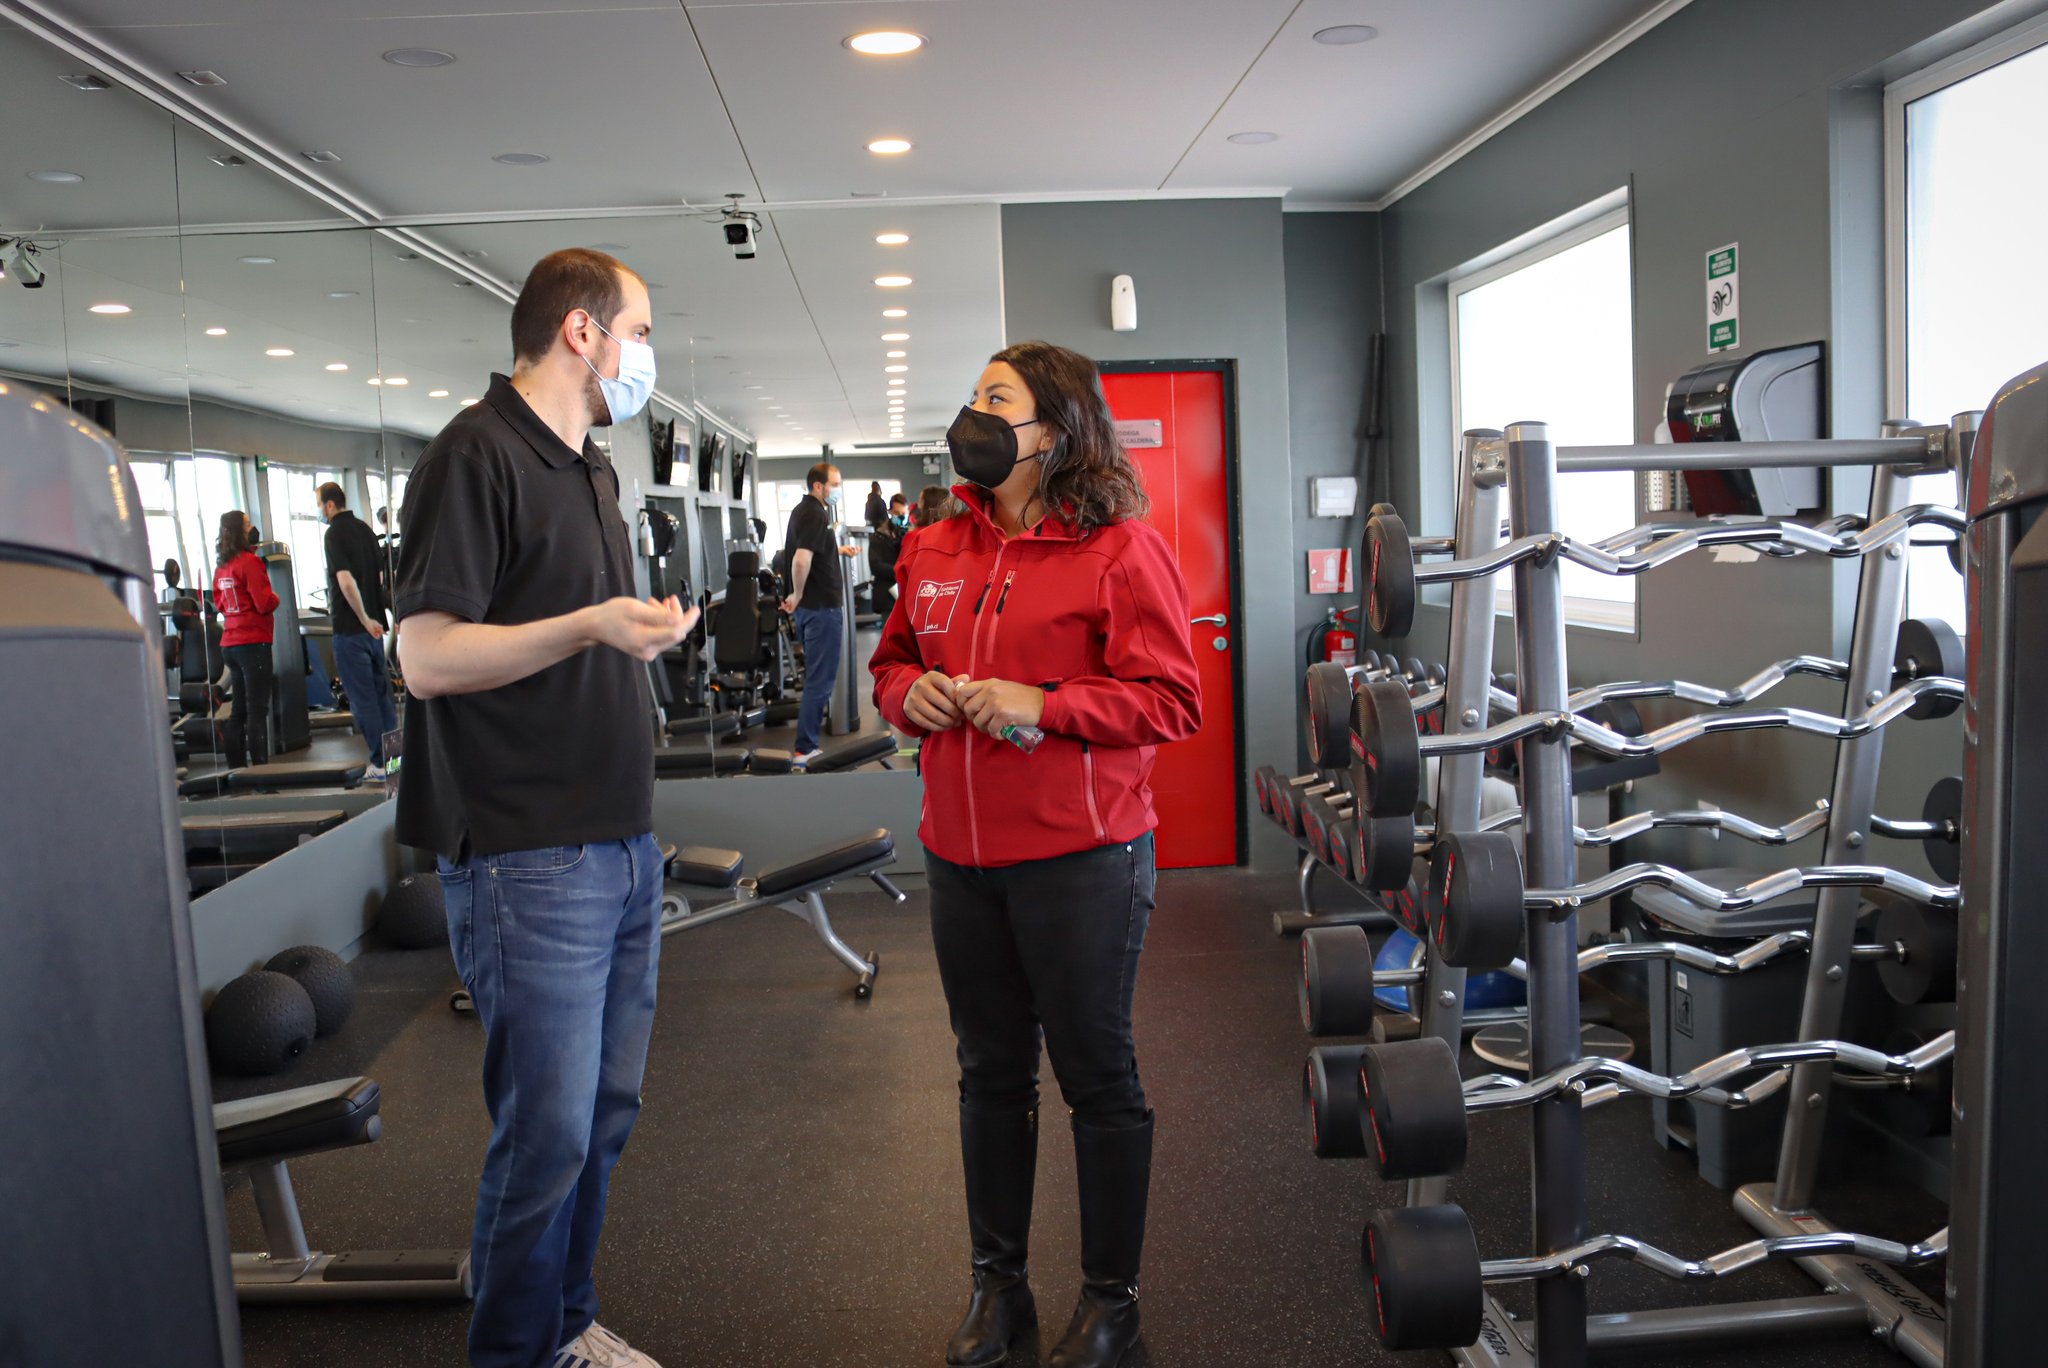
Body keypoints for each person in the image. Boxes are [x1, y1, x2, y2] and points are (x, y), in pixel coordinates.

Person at [392, 247, 697, 1368]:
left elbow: (588, 630)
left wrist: (641, 629)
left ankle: (563, 1330)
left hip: (620, 839)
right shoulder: (473, 456)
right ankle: (515, 1353)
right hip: (528, 853)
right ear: (582, 331)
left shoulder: (592, 468)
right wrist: (588, 626)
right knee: (546, 1138)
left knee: (601, 1122)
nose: (645, 355)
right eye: (641, 330)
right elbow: (425, 658)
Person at [870, 341, 1202, 1368]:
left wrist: (1044, 706)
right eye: (970, 395)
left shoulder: (1118, 550)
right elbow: (892, 663)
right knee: (988, 1076)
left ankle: (1112, 1306)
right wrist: (905, 699)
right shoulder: (932, 544)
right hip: (959, 857)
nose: (972, 414)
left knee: (1096, 1079)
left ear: (1052, 431)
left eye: (996, 400)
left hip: (1082, 858)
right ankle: (998, 1292)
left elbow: (1171, 702)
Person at [777, 461, 857, 765]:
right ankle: (805, 748)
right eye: (834, 484)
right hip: (821, 608)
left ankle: (806, 744)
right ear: (818, 486)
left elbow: (812, 548)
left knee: (818, 677)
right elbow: (800, 559)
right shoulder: (813, 512)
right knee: (820, 680)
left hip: (816, 607)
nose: (837, 489)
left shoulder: (806, 511)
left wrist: (838, 551)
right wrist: (796, 595)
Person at [317, 481, 399, 770]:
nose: (320, 511)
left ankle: (379, 764)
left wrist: (364, 619)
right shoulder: (365, 530)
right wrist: (377, 617)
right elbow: (378, 579)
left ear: (329, 505)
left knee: (364, 702)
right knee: (383, 698)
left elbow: (346, 581)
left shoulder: (333, 534)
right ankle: (394, 765)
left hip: (352, 631)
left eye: (319, 504)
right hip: (375, 630)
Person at [212, 510, 280, 769]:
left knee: (239, 708)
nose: (252, 528)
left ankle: (237, 771)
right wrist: (277, 599)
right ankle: (261, 775)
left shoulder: (222, 566)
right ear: (240, 532)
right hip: (253, 643)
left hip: (231, 644)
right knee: (257, 710)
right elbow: (264, 603)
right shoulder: (251, 563)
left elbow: (220, 603)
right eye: (248, 525)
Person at [868, 493, 909, 618]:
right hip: (887, 596)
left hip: (907, 595)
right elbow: (875, 566)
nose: (900, 517)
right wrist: (899, 570)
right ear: (890, 512)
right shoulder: (879, 536)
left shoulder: (910, 534)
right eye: (897, 513)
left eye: (903, 513)